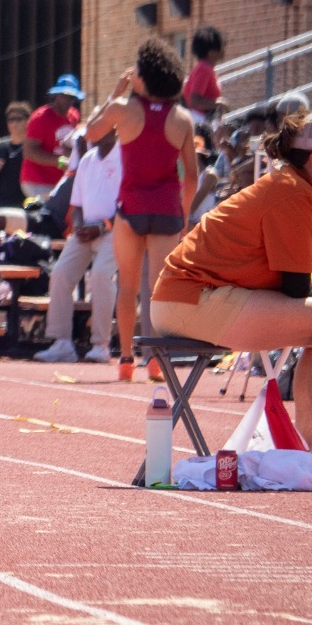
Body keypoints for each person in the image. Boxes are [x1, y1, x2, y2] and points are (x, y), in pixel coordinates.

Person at [151, 111, 312, 448]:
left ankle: (309, 449)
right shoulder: (293, 192)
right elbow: (296, 289)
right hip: (190, 298)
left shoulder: (303, 190)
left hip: (193, 298)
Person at [86, 39, 198, 383]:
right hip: (166, 209)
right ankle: (156, 360)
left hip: (131, 208)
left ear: (144, 76)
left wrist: (115, 93)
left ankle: (125, 359)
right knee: (158, 289)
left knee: (128, 285)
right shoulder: (182, 118)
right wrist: (183, 215)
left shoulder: (122, 109)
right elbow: (192, 178)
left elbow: (91, 132)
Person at [35, 131, 121, 364]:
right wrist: (79, 225)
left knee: (101, 275)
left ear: (114, 130)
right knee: (60, 273)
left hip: (115, 230)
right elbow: (78, 204)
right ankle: (62, 343)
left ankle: (101, 345)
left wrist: (102, 227)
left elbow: (128, 205)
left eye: (100, 126)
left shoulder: (126, 157)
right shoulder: (86, 160)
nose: (92, 132)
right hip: (85, 230)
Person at [21, 76, 84, 199]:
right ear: (56, 95)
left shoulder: (74, 117)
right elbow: (29, 152)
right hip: (37, 181)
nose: (68, 101)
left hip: (59, 181)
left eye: (72, 97)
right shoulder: (41, 118)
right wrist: (59, 161)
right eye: (64, 96)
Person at [185, 26, 225, 121]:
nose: (223, 50)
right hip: (201, 120)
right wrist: (219, 103)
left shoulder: (205, 68)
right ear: (211, 52)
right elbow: (194, 101)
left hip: (204, 119)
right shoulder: (204, 69)